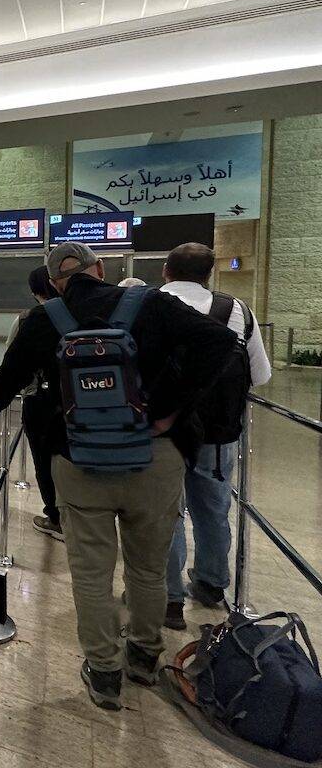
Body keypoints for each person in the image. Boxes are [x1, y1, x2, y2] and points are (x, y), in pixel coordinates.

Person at [0, 242, 237, 711]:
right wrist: (164, 410)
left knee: (90, 571)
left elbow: (6, 381)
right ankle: (143, 656)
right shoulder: (153, 303)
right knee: (147, 565)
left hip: (80, 462)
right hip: (154, 457)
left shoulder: (48, 318)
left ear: (56, 282)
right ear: (100, 269)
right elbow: (220, 342)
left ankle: (103, 672)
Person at [159, 243, 272, 630]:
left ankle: (169, 599)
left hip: (163, 430)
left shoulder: (146, 306)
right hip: (218, 431)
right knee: (212, 507)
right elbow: (260, 376)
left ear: (165, 271)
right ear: (209, 275)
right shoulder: (238, 311)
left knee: (165, 511)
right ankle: (210, 584)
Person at [12, 266, 63, 541]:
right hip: (79, 402)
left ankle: (56, 517)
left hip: (41, 402)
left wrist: (0, 390)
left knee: (44, 461)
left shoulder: (29, 318)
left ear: (34, 291)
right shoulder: (83, 312)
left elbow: (14, 363)